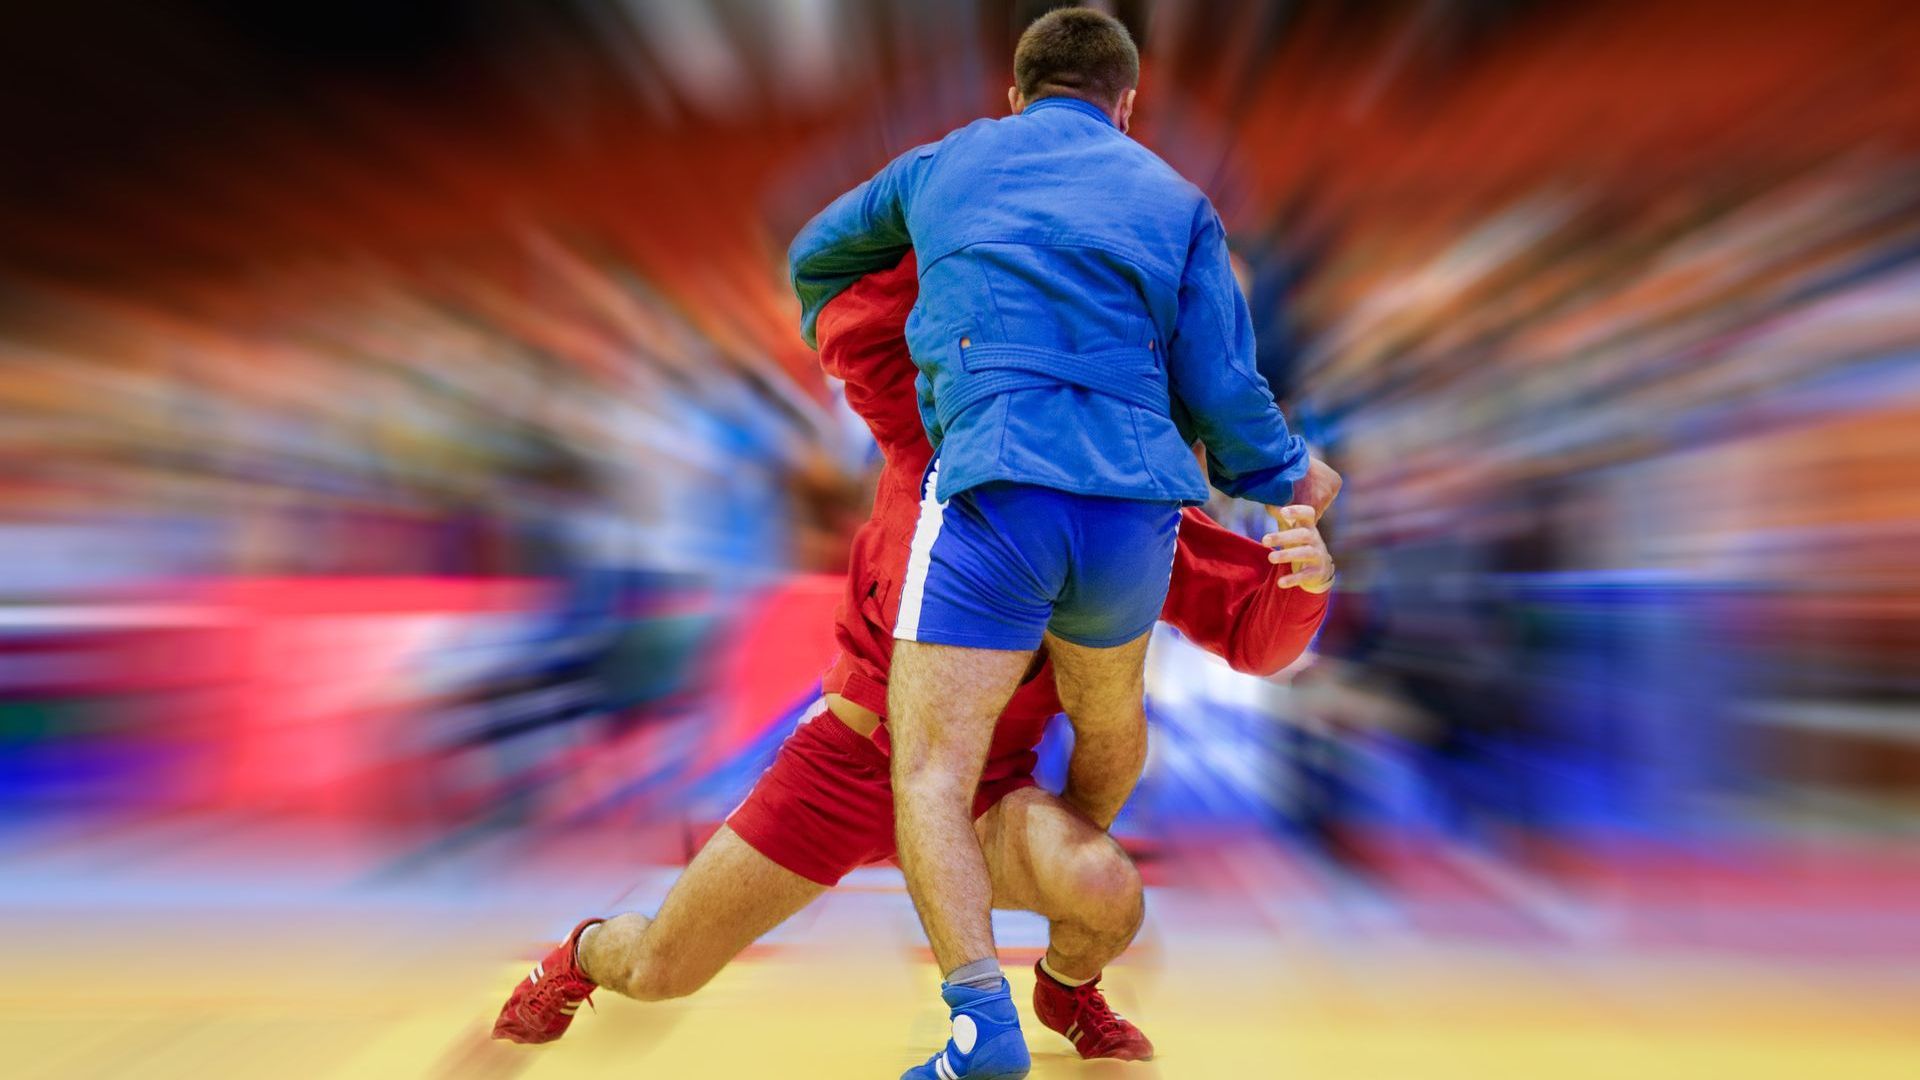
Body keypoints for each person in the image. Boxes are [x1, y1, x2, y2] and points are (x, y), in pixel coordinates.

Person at [492, 255, 1337, 1068]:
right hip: (847, 767)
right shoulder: (939, 427)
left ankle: (1065, 987)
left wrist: (1303, 582)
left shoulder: (1140, 526)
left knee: (1108, 892)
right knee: (656, 970)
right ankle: (583, 953)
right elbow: (854, 327)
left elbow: (1256, 634)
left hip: (984, 794)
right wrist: (945, 224)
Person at [786, 10, 1336, 1077]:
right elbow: (1222, 383)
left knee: (929, 774)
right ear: (1127, 106)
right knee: (1112, 725)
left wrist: (870, 323)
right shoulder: (1177, 200)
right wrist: (1286, 477)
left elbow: (818, 255)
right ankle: (1066, 927)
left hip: (997, 484)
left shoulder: (944, 164)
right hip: (1132, 513)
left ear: (1015, 94)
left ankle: (980, 1021)